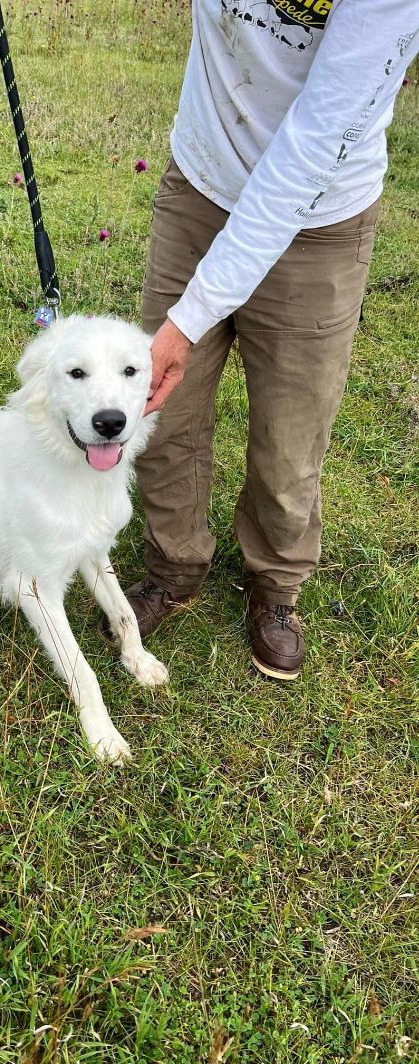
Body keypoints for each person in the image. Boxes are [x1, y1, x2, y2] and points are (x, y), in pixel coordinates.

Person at [125, 0, 418, 680]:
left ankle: (276, 585)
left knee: (292, 434)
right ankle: (172, 568)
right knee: (164, 414)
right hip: (201, 182)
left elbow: (314, 145)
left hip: (321, 214)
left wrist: (191, 317)